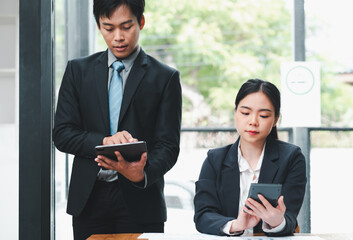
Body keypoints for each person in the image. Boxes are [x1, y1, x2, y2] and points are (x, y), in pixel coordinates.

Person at [53, 0, 182, 239]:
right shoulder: (77, 71)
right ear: (98, 26)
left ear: (141, 22)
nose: (118, 37)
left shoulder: (165, 77)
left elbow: (169, 145)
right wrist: (104, 140)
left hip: (141, 198)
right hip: (89, 199)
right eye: (108, 28)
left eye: (126, 26)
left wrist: (141, 174)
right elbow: (62, 133)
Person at [193, 79, 306, 236]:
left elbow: (290, 219)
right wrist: (236, 225)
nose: (253, 122)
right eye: (245, 113)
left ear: (276, 119)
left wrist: (277, 222)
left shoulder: (292, 158)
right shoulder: (214, 160)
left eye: (264, 115)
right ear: (235, 113)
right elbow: (203, 216)